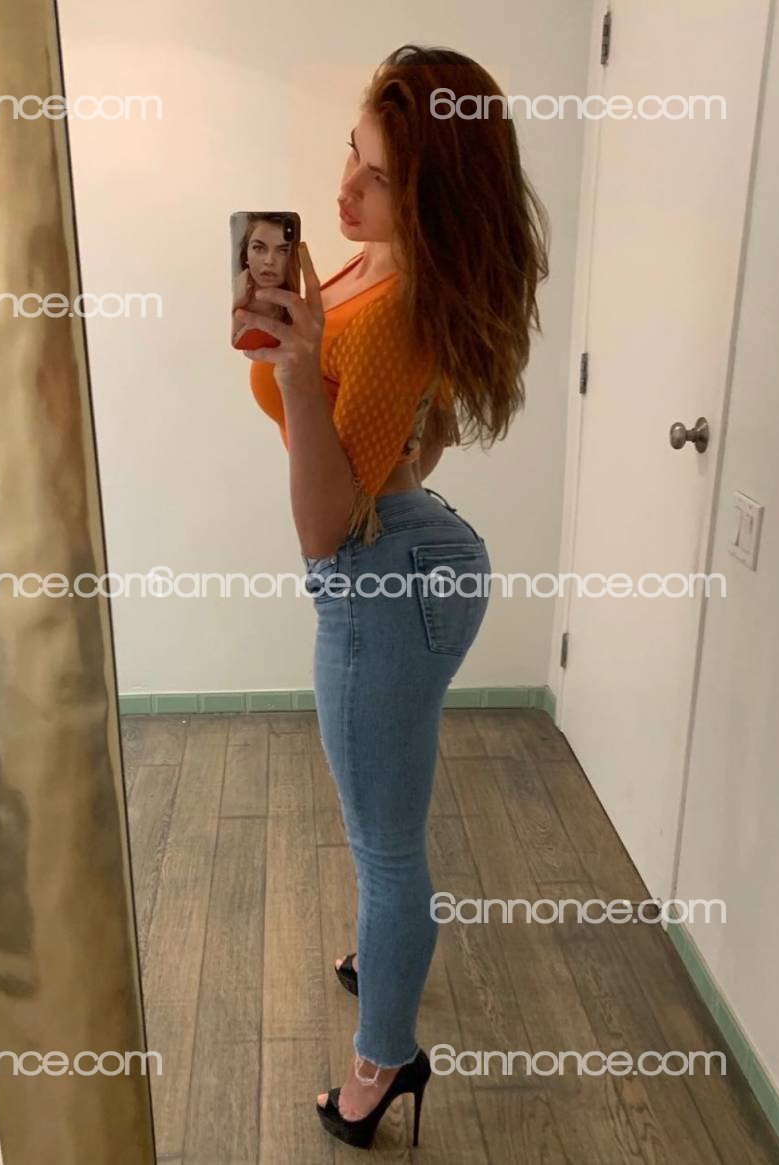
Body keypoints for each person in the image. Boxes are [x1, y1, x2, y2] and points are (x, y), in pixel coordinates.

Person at [238, 44, 549, 1150]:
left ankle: (384, 1063)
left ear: (430, 197)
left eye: (376, 178)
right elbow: (429, 433)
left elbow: (325, 528)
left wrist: (296, 374)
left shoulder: (401, 302)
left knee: (385, 845)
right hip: (415, 554)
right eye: (351, 155)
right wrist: (334, 382)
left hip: (378, 582)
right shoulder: (381, 262)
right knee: (383, 820)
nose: (344, 189)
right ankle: (388, 949)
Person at [231, 214, 300, 347]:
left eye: (283, 251)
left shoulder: (298, 310)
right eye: (259, 248)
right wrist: (236, 307)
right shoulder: (228, 295)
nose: (269, 261)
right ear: (246, 255)